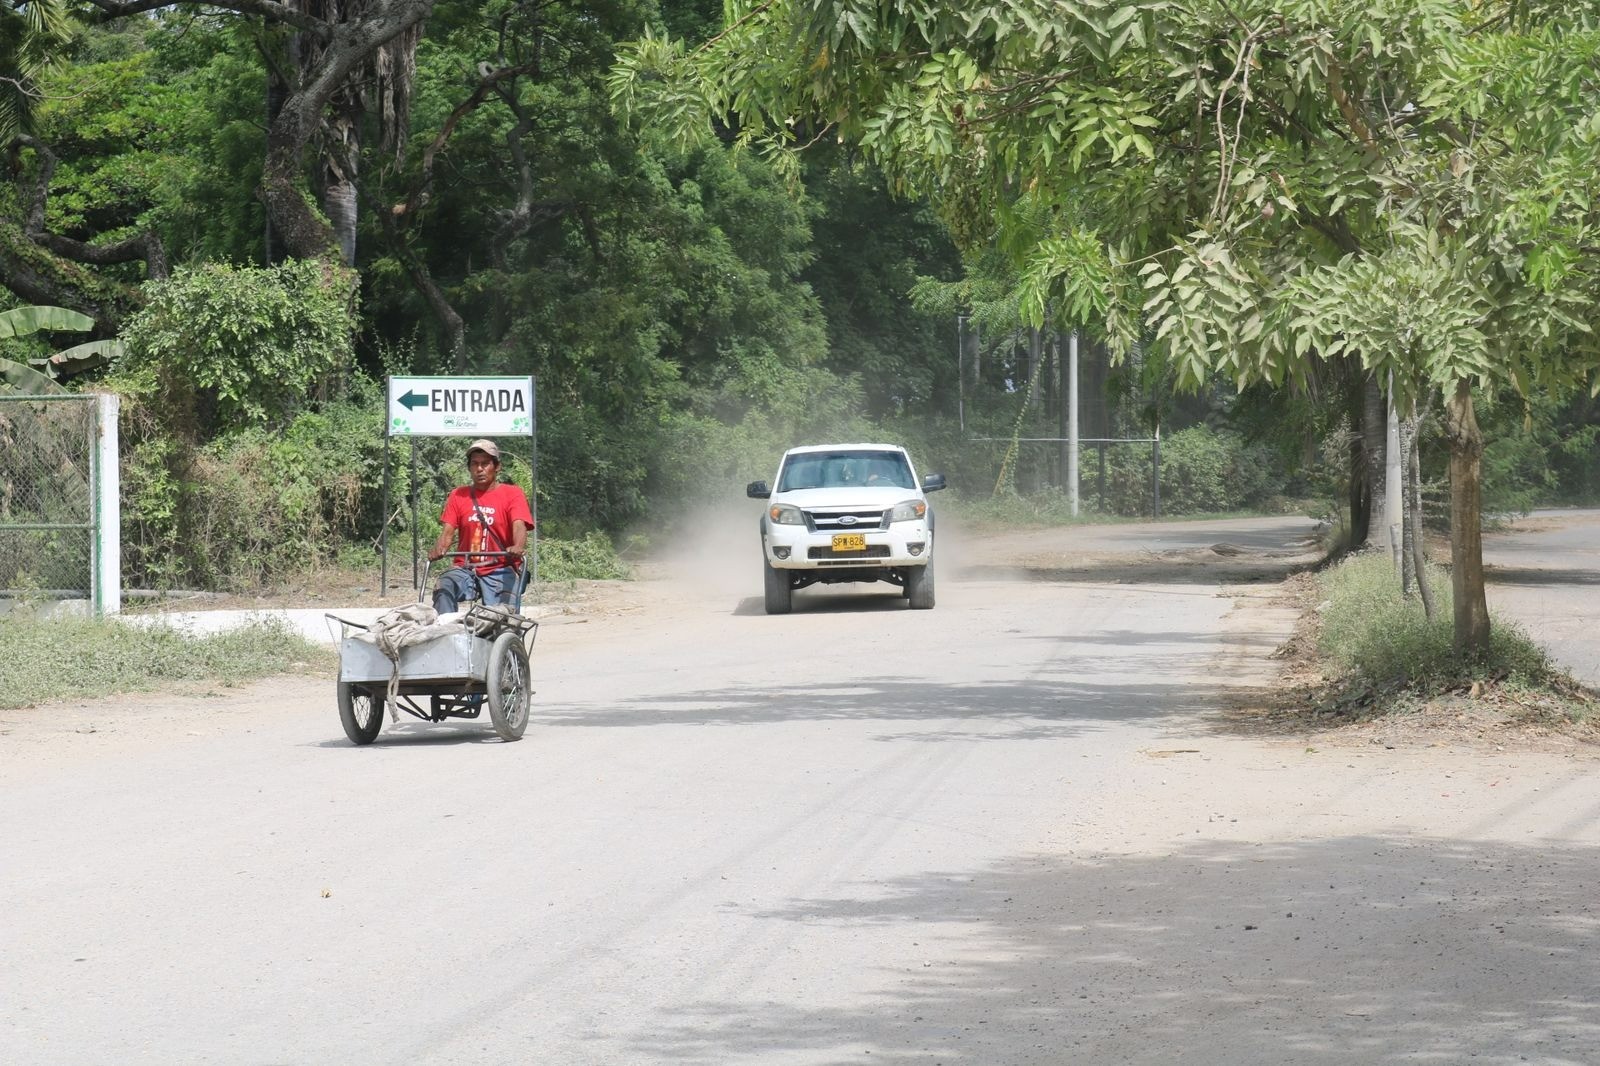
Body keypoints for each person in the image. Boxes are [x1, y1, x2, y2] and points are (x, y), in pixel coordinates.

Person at [426, 439, 534, 615]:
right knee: (444, 586)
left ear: (497, 466)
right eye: (475, 464)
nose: (479, 469)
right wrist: (440, 547)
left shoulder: (512, 493)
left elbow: (519, 525)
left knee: (498, 618)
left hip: (500, 567)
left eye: (485, 464)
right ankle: (446, 633)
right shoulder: (458, 495)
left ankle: (499, 638)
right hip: (466, 568)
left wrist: (517, 546)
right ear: (469, 468)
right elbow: (447, 531)